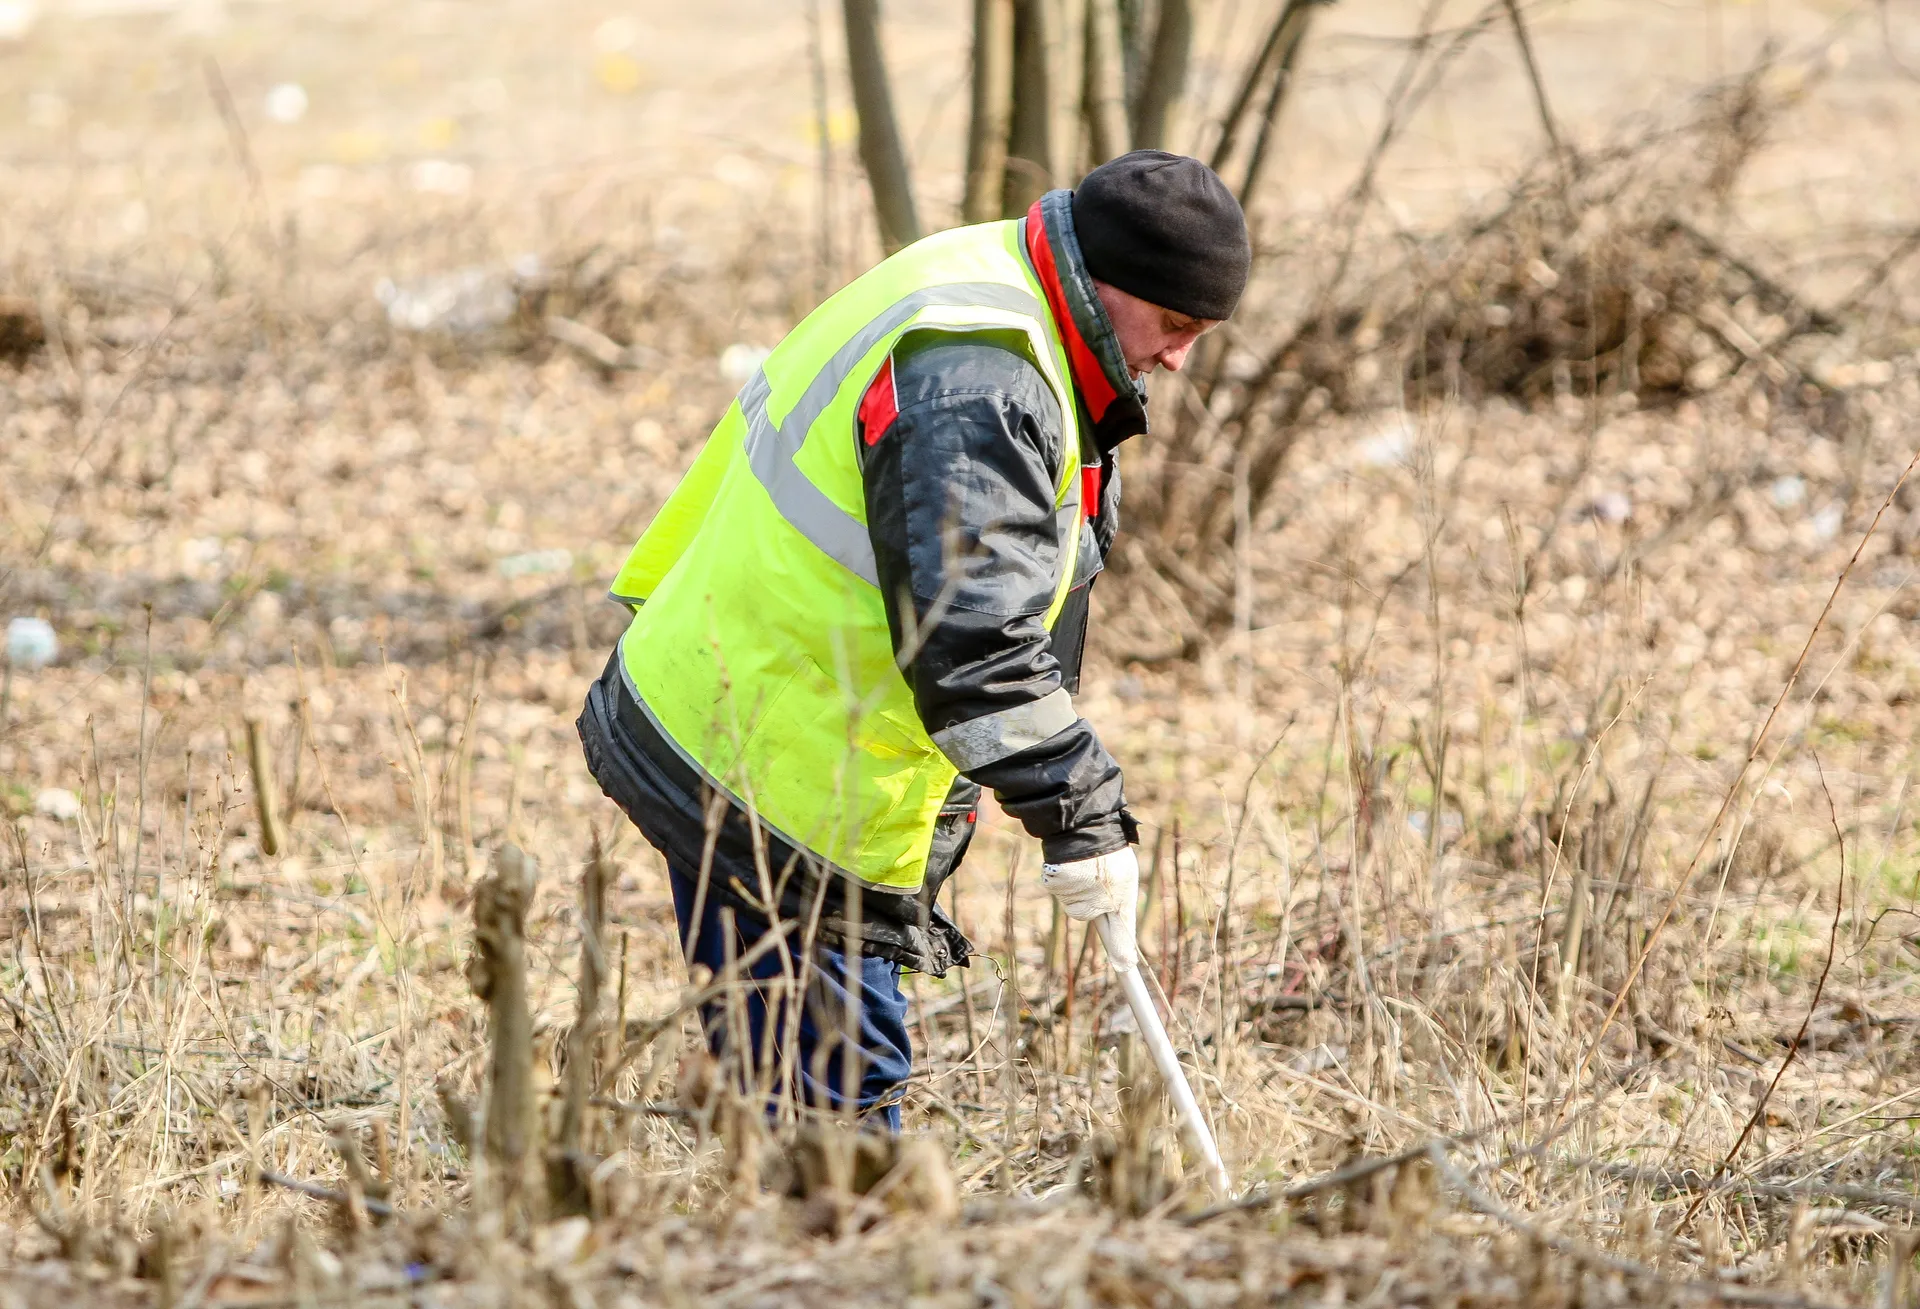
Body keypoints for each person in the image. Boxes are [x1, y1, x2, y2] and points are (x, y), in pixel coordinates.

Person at [578, 149, 1249, 1128]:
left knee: (791, 1101)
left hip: (735, 717)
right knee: (841, 1116)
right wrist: (1083, 815)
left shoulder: (990, 275)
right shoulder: (980, 380)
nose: (1180, 357)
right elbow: (974, 644)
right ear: (1108, 281)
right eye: (1175, 324)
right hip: (780, 778)